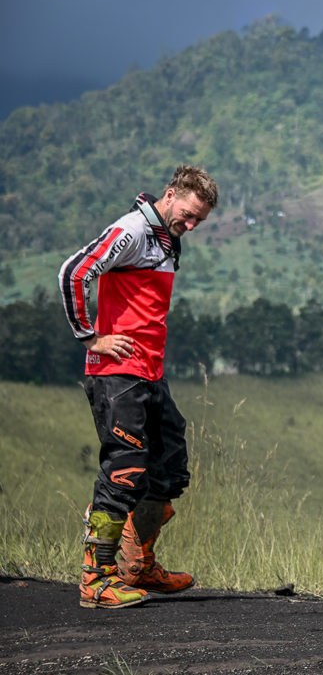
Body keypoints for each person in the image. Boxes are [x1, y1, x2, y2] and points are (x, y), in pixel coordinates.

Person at [58, 164, 219, 609]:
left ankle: (138, 564)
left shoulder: (165, 238)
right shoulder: (132, 229)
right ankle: (96, 579)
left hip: (149, 372)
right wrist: (90, 337)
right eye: (188, 214)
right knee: (123, 473)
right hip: (117, 375)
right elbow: (73, 272)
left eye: (199, 220)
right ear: (170, 195)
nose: (191, 225)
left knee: (169, 467)